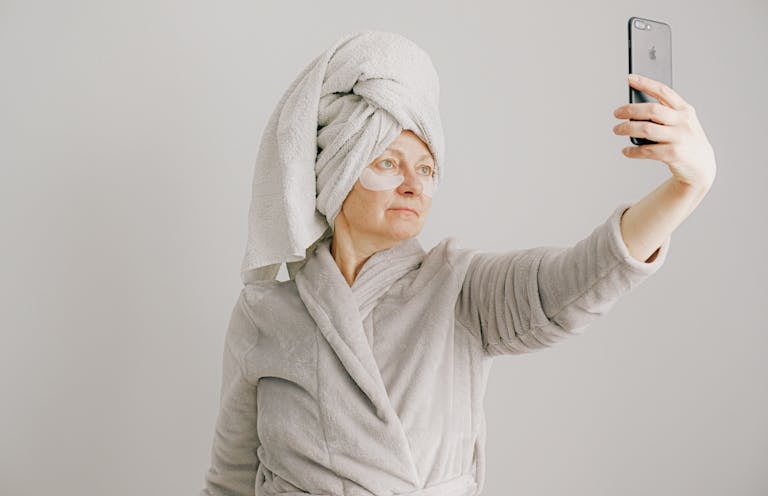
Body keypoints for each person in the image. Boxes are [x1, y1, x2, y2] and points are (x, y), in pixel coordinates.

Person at [199, 31, 715, 496]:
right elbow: (230, 480)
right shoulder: (265, 311)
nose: (413, 183)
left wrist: (684, 190)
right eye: (387, 162)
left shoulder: (459, 288)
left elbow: (574, 282)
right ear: (336, 170)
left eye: (426, 167)